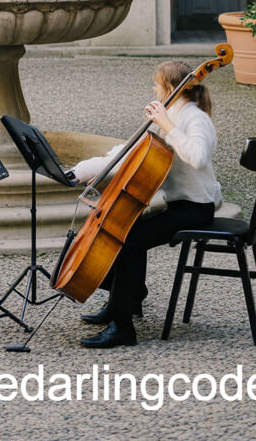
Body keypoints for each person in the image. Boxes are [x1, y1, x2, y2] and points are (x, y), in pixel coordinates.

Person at [70, 59, 222, 349]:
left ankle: (123, 327)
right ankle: (121, 303)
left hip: (196, 209)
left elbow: (198, 157)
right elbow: (128, 154)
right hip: (180, 205)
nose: (154, 89)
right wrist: (83, 171)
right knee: (125, 231)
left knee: (131, 241)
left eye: (156, 84)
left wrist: (166, 124)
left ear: (169, 87)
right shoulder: (173, 113)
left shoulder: (194, 118)